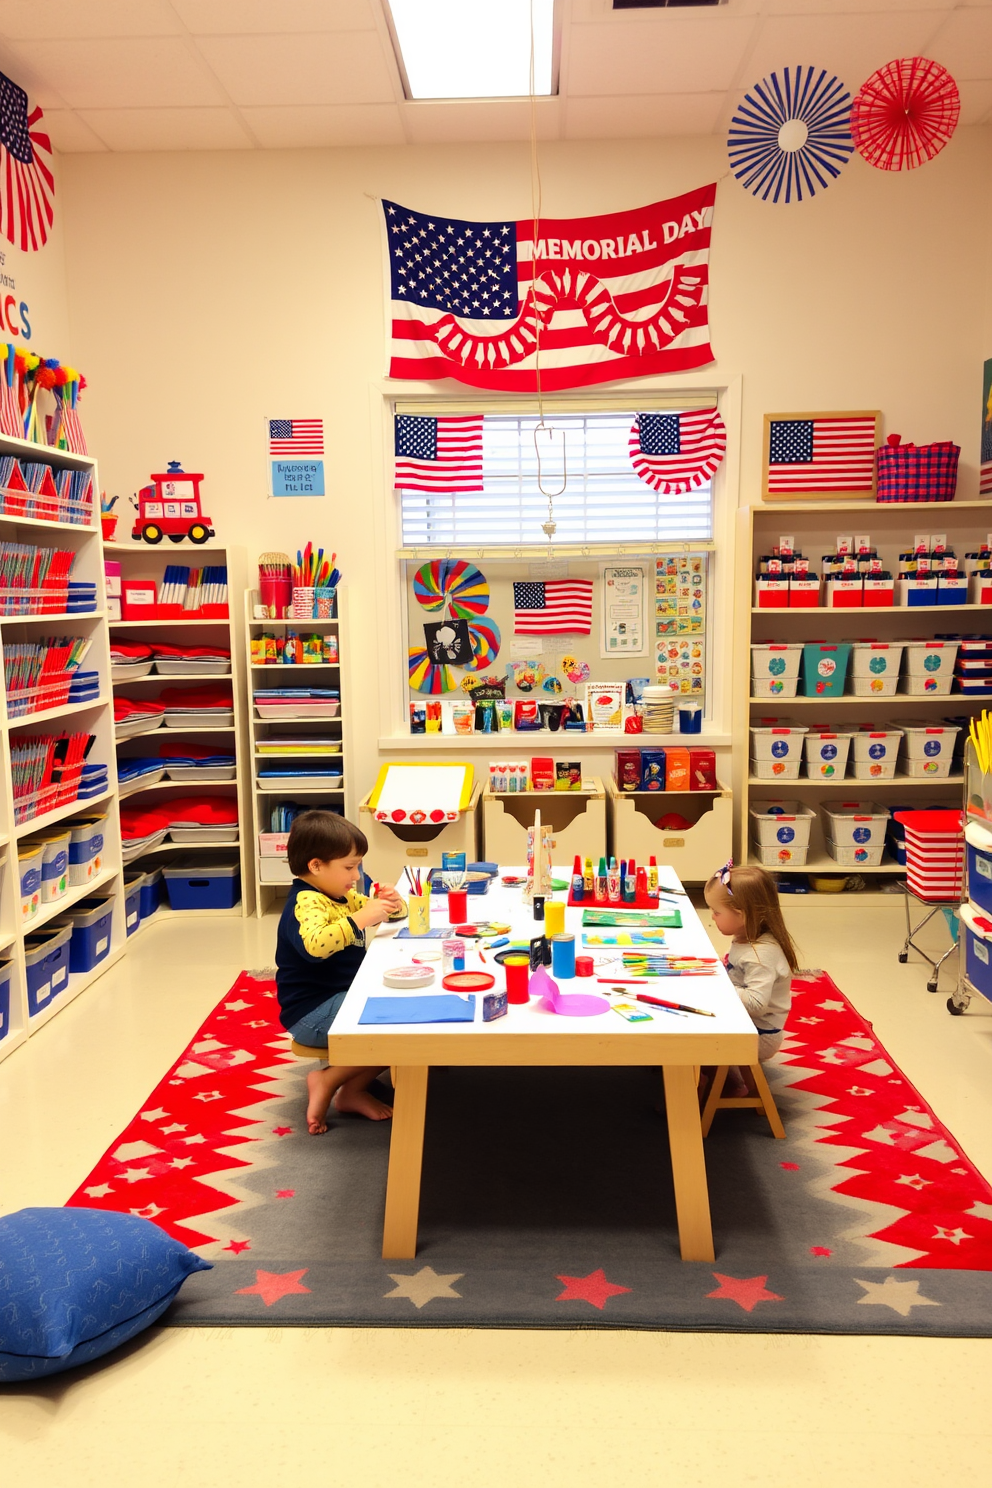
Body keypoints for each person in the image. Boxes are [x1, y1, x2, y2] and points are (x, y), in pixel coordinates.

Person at [275, 810, 405, 1135]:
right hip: (312, 1013)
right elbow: (316, 945)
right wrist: (361, 918)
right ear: (316, 866)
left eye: (358, 865)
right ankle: (329, 1080)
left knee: (397, 1013)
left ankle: (351, 1091)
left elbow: (385, 914)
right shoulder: (306, 902)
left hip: (337, 999)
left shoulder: (340, 895)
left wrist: (393, 902)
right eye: (349, 867)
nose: (358, 874)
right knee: (398, 1022)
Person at [703, 861, 799, 1093]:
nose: (713, 917)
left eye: (717, 912)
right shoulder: (747, 938)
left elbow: (756, 1003)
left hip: (759, 1035)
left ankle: (716, 1089)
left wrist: (720, 986)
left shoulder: (760, 954)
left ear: (742, 915)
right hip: (746, 1023)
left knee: (695, 1039)